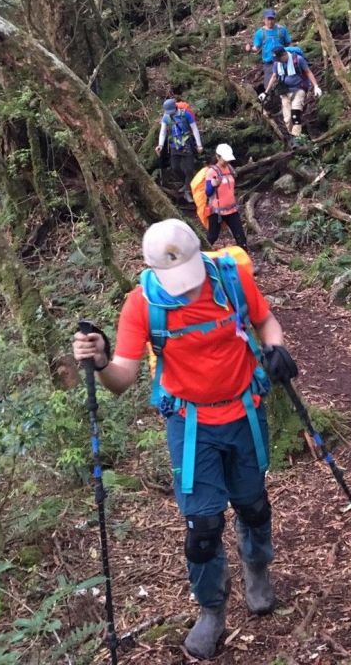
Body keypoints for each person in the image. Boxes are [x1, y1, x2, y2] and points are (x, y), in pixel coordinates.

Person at [72, 219, 299, 660]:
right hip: (191, 426)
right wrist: (100, 361)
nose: (186, 289)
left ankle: (257, 570)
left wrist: (275, 349)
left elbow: (266, 320)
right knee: (202, 528)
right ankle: (212, 609)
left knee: (254, 505)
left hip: (244, 414)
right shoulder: (141, 306)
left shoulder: (231, 279)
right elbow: (124, 378)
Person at [260, 45, 322, 139]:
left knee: (295, 114)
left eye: (279, 58)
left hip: (299, 89)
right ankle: (291, 135)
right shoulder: (277, 64)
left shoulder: (298, 60)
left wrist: (316, 86)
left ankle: (297, 138)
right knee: (288, 118)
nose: (278, 61)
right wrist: (266, 92)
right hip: (284, 91)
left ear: (284, 54)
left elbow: (308, 72)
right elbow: (274, 76)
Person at [156, 98, 203, 202]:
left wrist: (199, 145)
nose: (170, 114)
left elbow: (194, 129)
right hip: (174, 145)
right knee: (175, 167)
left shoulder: (185, 114)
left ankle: (187, 191)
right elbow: (163, 132)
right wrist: (160, 145)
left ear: (175, 108)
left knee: (190, 169)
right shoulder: (166, 117)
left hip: (186, 144)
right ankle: (187, 184)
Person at [205, 143, 248, 250]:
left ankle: (244, 259)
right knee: (212, 237)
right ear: (218, 157)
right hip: (217, 212)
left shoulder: (230, 168)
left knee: (241, 237)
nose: (227, 161)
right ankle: (202, 256)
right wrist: (213, 185)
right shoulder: (212, 172)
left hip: (232, 210)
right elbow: (208, 192)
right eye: (225, 158)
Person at [245, 9, 291, 86]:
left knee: (286, 83)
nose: (270, 21)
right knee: (268, 85)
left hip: (282, 61)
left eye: (272, 19)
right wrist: (250, 49)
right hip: (269, 63)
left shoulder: (282, 30)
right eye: (268, 19)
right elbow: (256, 47)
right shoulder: (260, 33)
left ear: (275, 19)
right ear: (264, 20)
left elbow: (288, 43)